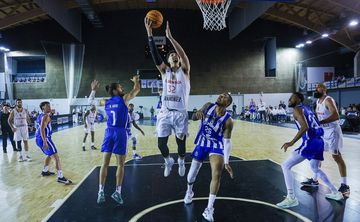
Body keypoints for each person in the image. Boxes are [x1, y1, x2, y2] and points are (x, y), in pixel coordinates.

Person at [276, 92, 343, 209]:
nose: (289, 99)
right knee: (315, 168)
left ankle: (291, 198)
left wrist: (291, 142)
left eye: (292, 98)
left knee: (285, 166)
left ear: (298, 99)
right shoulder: (307, 109)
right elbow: (315, 124)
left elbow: (305, 127)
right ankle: (336, 192)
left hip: (310, 142)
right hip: (319, 141)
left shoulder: (297, 109)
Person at [145, 18, 190, 177]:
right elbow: (155, 56)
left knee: (181, 143)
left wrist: (170, 38)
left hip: (180, 113)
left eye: (175, 55)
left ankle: (182, 161)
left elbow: (183, 54)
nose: (175, 56)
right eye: (171, 55)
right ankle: (168, 160)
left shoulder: (184, 72)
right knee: (161, 144)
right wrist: (150, 34)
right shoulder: (165, 72)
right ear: (168, 60)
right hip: (165, 112)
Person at [183, 93, 234, 222]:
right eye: (220, 95)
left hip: (216, 145)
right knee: (190, 176)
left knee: (217, 172)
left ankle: (209, 209)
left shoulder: (228, 120)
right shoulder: (208, 106)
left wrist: (227, 161)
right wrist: (198, 112)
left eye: (224, 97)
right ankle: (189, 191)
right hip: (201, 142)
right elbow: (194, 117)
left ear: (228, 104)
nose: (220, 97)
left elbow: (227, 141)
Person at [96, 75, 141, 204]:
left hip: (108, 132)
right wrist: (136, 80)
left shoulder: (106, 101)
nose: (123, 89)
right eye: (120, 87)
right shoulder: (124, 99)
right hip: (120, 133)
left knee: (104, 164)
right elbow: (137, 89)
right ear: (115, 91)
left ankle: (100, 191)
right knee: (120, 164)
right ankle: (118, 192)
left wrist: (93, 90)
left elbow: (92, 102)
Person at [301, 83, 350, 197]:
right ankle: (314, 179)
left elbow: (336, 116)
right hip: (323, 132)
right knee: (317, 154)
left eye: (318, 88)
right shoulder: (318, 102)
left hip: (333, 132)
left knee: (337, 157)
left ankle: (345, 185)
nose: (316, 90)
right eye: (316, 88)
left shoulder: (328, 100)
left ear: (324, 89)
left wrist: (320, 122)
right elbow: (319, 117)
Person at [35, 101, 72, 184]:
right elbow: (42, 129)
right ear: (43, 108)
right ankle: (60, 177)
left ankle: (45, 171)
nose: (50, 107)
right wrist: (45, 141)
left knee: (49, 155)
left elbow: (44, 122)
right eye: (47, 106)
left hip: (38, 139)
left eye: (49, 105)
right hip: (45, 138)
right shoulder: (45, 117)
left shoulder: (40, 115)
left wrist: (51, 114)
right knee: (56, 157)